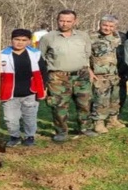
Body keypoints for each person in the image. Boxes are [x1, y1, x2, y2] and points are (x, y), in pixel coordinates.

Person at [39, 10, 96, 142]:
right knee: (59, 105)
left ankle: (85, 128)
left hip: (81, 76)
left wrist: (88, 70)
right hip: (58, 77)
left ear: (75, 21)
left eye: (68, 21)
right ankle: (61, 131)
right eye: (61, 20)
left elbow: (87, 54)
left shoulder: (83, 36)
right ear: (57, 20)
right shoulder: (48, 38)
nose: (64, 24)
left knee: (85, 103)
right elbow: (40, 58)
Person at [0, 28, 48, 147]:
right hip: (9, 93)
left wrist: (44, 87)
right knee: (10, 119)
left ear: (29, 41)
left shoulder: (35, 54)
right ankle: (14, 136)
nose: (20, 42)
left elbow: (43, 72)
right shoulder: (1, 55)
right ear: (11, 40)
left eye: (24, 40)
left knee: (30, 116)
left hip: (30, 92)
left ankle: (29, 136)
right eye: (17, 39)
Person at [89, 15, 126, 133]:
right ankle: (98, 122)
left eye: (111, 26)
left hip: (115, 74)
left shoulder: (118, 38)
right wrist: (89, 71)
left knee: (115, 98)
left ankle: (112, 120)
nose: (107, 28)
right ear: (100, 24)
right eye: (105, 25)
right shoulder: (91, 37)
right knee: (101, 99)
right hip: (99, 75)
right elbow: (84, 56)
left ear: (115, 27)